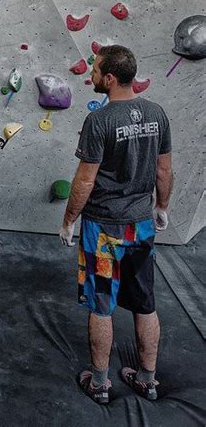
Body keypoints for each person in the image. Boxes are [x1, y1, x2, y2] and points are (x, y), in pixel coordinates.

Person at [59, 45, 173, 405]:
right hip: (140, 226)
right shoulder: (157, 113)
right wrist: (162, 206)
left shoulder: (99, 120)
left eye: (94, 71)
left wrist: (68, 221)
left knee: (101, 305)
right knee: (145, 303)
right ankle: (147, 380)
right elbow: (164, 169)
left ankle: (101, 383)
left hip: (104, 229)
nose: (90, 76)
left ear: (109, 78)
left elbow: (84, 182)